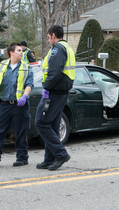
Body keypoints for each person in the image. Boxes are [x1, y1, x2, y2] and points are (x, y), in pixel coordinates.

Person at [35, 25, 75, 171]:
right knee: (52, 125)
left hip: (54, 91)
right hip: (60, 91)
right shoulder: (66, 47)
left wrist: (46, 87)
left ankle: (60, 154)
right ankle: (49, 158)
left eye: (48, 37)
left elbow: (55, 72)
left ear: (53, 35)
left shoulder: (58, 49)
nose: (48, 40)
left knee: (41, 122)